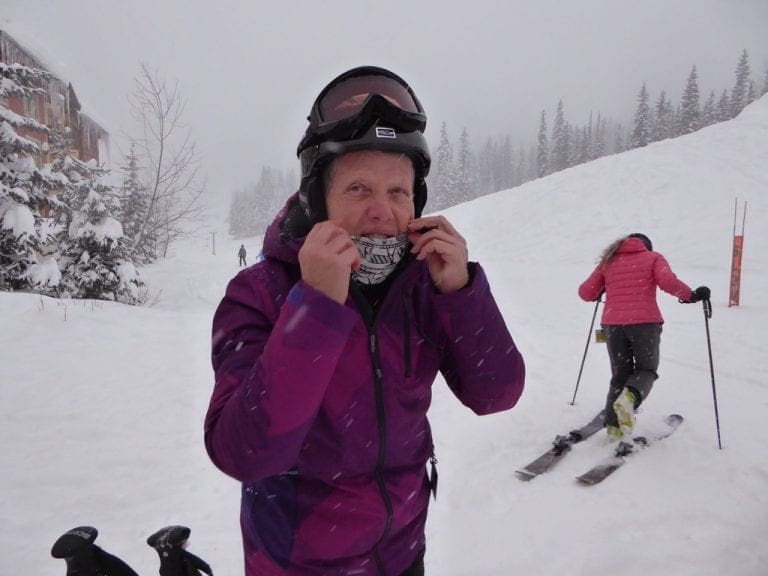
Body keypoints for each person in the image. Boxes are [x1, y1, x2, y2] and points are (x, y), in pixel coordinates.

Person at [204, 66, 525, 575]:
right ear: (316, 201)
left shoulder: (422, 285)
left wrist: (461, 292)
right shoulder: (260, 294)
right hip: (298, 564)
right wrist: (315, 309)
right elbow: (244, 453)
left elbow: (497, 393)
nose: (382, 211)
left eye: (398, 192)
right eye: (358, 188)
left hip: (401, 554)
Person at [578, 233, 710, 439]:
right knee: (646, 369)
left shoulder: (609, 260)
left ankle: (614, 427)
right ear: (645, 246)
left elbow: (586, 292)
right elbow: (667, 281)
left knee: (619, 374)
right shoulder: (653, 257)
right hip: (644, 325)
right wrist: (691, 295)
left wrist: (601, 289)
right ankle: (629, 399)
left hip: (612, 325)